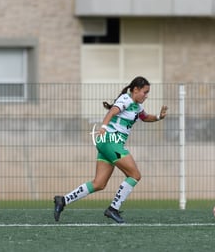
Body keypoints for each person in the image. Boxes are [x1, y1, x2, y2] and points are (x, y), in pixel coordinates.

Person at [54, 76, 168, 223]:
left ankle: (62, 200)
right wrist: (103, 127)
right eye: (145, 92)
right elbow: (111, 112)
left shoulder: (136, 106)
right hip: (110, 141)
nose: (146, 96)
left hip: (109, 143)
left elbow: (145, 117)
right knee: (134, 175)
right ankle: (113, 209)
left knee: (99, 183)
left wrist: (159, 117)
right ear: (135, 90)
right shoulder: (125, 100)